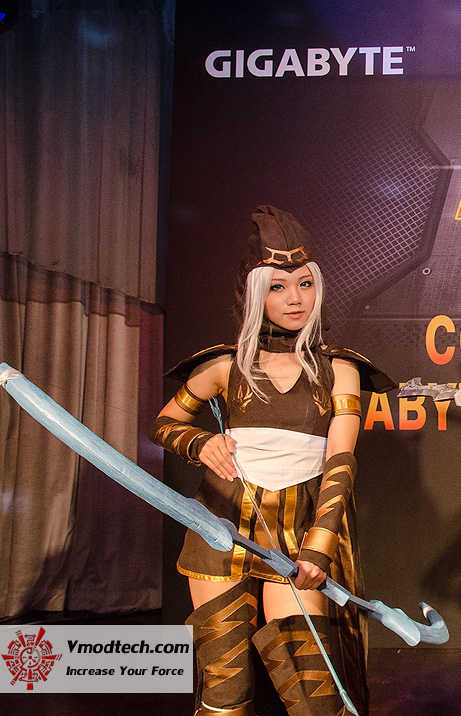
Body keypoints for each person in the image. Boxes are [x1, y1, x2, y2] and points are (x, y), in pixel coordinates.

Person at [149, 206, 392, 716]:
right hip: (220, 532)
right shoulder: (223, 366)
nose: (295, 299)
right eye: (278, 287)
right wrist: (200, 443)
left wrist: (320, 547)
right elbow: (164, 424)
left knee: (311, 694)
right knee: (224, 691)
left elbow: (340, 459)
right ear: (255, 293)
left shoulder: (340, 370)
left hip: (298, 537)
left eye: (305, 284)